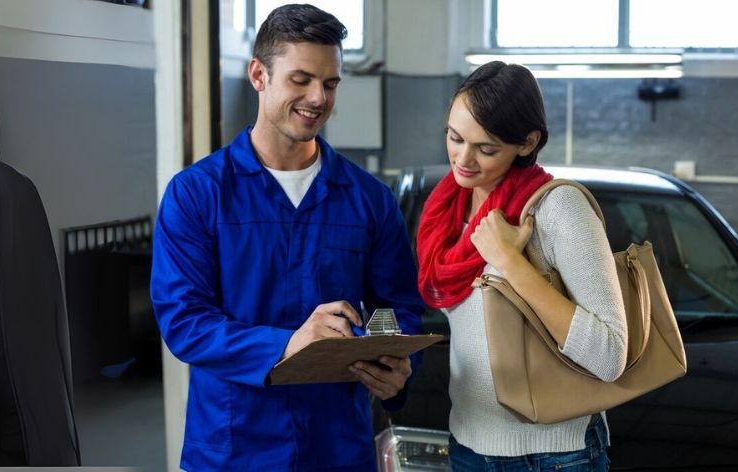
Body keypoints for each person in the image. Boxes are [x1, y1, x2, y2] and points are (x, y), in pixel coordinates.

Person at [150, 4, 425, 470]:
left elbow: (394, 308)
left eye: (331, 83)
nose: (318, 97)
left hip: (338, 447)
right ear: (259, 74)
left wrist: (398, 367)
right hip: (235, 449)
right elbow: (185, 321)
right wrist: (287, 345)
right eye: (301, 80)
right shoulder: (197, 195)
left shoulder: (369, 200)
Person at [416, 61, 628, 471]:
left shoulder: (558, 208)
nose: (464, 159)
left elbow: (609, 354)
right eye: (455, 138)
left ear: (527, 143)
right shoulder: (447, 209)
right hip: (467, 446)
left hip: (555, 455)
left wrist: (512, 264)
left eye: (486, 148)